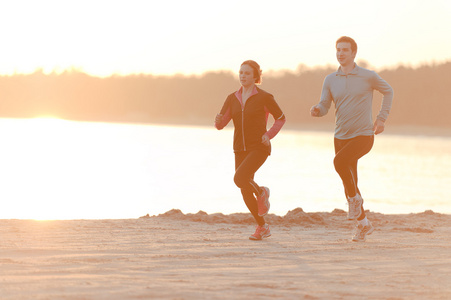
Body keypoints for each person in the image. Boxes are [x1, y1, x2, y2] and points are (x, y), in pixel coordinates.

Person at [310, 36, 394, 242]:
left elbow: (388, 91)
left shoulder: (368, 76)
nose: (340, 53)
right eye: (338, 49)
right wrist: (318, 110)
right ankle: (363, 224)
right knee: (351, 181)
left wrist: (381, 119)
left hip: (364, 135)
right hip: (340, 136)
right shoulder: (330, 79)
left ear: (354, 53)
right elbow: (325, 105)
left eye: (345, 50)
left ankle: (354, 200)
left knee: (339, 163)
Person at [215, 60, 286, 241]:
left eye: (247, 73)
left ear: (255, 76)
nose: (243, 76)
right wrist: (217, 120)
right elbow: (221, 125)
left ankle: (262, 192)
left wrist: (269, 135)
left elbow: (281, 118)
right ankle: (262, 227)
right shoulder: (232, 98)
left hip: (259, 147)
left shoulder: (264, 97)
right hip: (239, 148)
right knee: (244, 188)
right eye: (241, 73)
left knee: (240, 178)